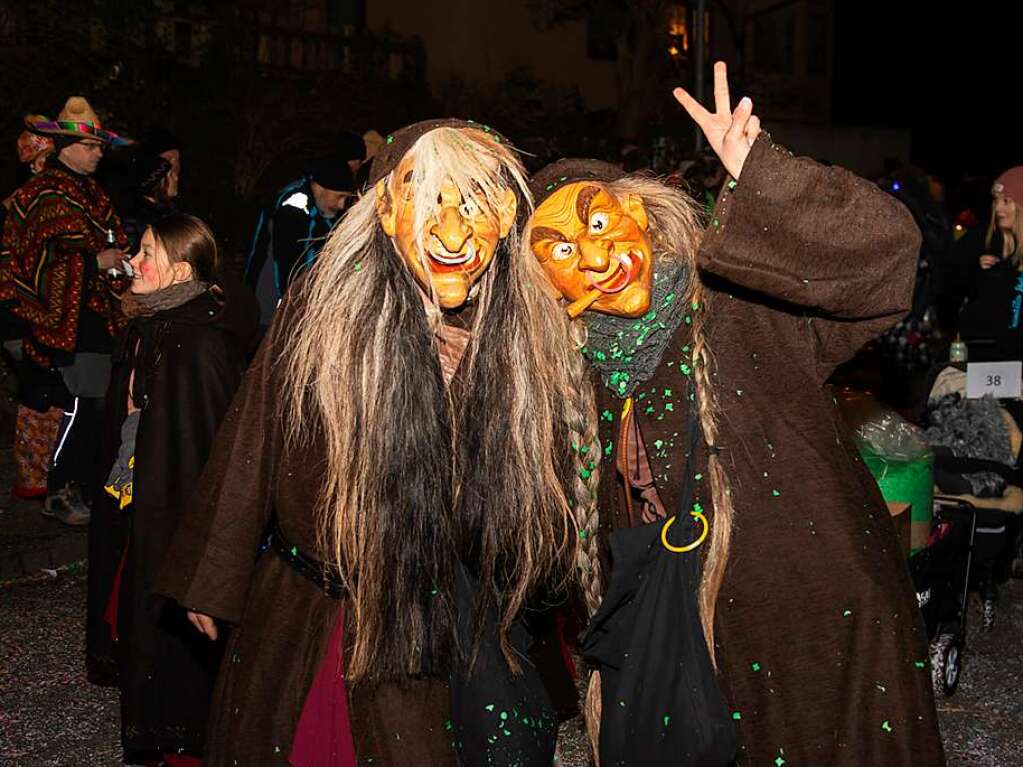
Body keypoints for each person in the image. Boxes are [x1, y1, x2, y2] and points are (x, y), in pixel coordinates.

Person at [522, 63, 945, 766]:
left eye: (599, 223)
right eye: (562, 250)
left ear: (641, 212)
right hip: (679, 637)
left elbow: (886, 260)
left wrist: (767, 176)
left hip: (813, 628)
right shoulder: (568, 367)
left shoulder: (735, 297)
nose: (593, 257)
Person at [154, 119, 592, 767]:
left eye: (473, 205)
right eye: (428, 200)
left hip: (448, 618)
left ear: (504, 219)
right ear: (386, 209)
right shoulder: (324, 305)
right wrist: (212, 575)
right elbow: (254, 435)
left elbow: (542, 502)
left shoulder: (522, 332)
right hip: (317, 609)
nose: (450, 231)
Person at [85, 213, 258, 765]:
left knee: (172, 642)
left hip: (177, 515)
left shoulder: (200, 341)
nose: (133, 260)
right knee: (136, 623)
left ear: (180, 270)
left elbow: (212, 449)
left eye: (147, 252)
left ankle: (180, 737)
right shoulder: (148, 327)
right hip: (136, 500)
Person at [0, 96, 131, 524]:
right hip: (62, 320)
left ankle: (80, 487)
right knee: (81, 405)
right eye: (90, 147)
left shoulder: (90, 192)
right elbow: (33, 263)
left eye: (99, 147)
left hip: (93, 317)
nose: (98, 153)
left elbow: (110, 242)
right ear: (65, 147)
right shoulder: (44, 194)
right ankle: (60, 489)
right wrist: (96, 261)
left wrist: (119, 262)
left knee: (93, 405)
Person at [244, 155, 356, 324]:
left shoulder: (321, 209)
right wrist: (294, 308)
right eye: (339, 196)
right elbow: (285, 263)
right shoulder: (292, 205)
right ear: (320, 188)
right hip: (271, 304)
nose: (341, 205)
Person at [956, 167, 1023, 361]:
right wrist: (975, 272)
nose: (998, 208)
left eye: (1006, 202)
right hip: (981, 354)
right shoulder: (979, 239)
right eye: (996, 201)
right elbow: (950, 289)